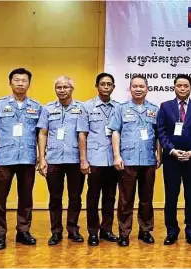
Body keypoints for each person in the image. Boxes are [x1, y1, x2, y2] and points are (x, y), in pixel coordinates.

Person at [0, 68, 41, 250]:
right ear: (10, 83)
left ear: (29, 84)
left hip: (28, 158)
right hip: (4, 158)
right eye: (17, 80)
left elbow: (42, 133)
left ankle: (23, 231)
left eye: (24, 80)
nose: (20, 83)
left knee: (26, 198)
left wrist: (42, 156)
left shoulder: (37, 106)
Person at [109, 75, 161, 247]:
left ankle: (145, 231)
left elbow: (159, 135)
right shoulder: (121, 109)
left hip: (148, 160)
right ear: (129, 89)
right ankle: (124, 233)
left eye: (141, 86)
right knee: (125, 199)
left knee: (146, 198)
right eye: (134, 86)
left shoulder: (154, 109)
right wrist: (117, 155)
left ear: (147, 89)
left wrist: (159, 154)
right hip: (127, 160)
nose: (138, 89)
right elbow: (115, 132)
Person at [156, 74, 191, 245]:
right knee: (171, 196)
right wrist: (171, 150)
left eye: (186, 85)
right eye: (179, 85)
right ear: (174, 87)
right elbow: (161, 131)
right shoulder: (165, 107)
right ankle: (171, 231)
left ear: (190, 87)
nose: (183, 88)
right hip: (172, 159)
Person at [36, 76, 86, 246]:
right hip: (54, 159)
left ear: (72, 89)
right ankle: (56, 232)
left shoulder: (81, 108)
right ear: (55, 89)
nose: (62, 90)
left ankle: (73, 229)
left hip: (75, 160)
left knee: (75, 197)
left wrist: (83, 159)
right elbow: (42, 133)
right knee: (55, 197)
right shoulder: (48, 109)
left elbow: (83, 134)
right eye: (59, 87)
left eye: (66, 87)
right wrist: (41, 158)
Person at [78, 73, 121, 246]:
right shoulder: (86, 107)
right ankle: (93, 232)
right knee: (93, 197)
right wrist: (83, 160)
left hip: (113, 159)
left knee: (110, 197)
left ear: (113, 87)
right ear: (96, 86)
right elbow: (82, 134)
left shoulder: (119, 107)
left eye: (109, 84)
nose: (105, 87)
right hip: (94, 159)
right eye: (102, 84)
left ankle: (107, 230)